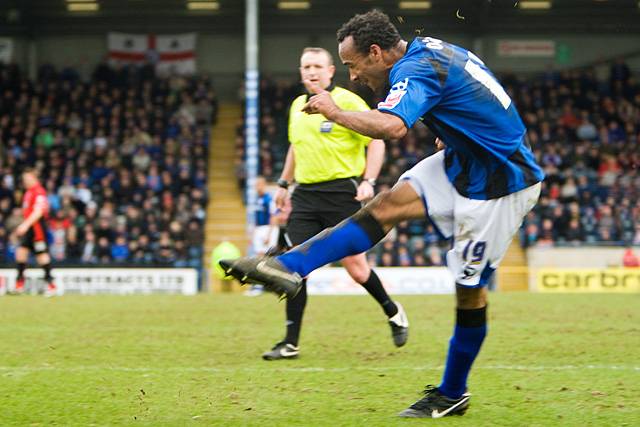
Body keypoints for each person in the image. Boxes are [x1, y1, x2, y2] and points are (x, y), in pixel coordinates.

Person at [221, 10, 543, 418]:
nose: (352, 77)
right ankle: (288, 266)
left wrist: (334, 111)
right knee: (385, 205)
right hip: (467, 159)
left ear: (375, 53)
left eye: (353, 66)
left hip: (502, 181)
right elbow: (472, 87)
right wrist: (452, 128)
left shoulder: (414, 68)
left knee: (469, 290)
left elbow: (392, 127)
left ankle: (452, 392)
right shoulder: (430, 49)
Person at [260, 47, 408, 361]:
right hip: (305, 196)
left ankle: (393, 311)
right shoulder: (297, 106)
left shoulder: (348, 101)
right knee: (294, 267)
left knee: (356, 269)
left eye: (317, 66)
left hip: (343, 193)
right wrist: (284, 184)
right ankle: (290, 342)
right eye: (306, 66)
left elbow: (377, 140)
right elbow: (295, 148)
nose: (311, 72)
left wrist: (369, 179)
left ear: (330, 71)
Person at [12, 168, 57, 297]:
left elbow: (39, 211)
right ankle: (19, 285)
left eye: (27, 179)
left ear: (34, 178)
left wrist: (25, 225)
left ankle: (51, 285)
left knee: (42, 256)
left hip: (37, 229)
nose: (25, 181)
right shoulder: (28, 192)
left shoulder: (39, 192)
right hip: (30, 228)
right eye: (24, 179)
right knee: (21, 253)